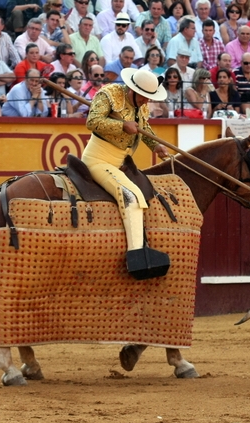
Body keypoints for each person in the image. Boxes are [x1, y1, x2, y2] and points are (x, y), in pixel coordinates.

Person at [84, 68, 170, 280]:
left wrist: (155, 145)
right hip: (97, 160)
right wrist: (122, 125)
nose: (146, 102)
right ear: (132, 89)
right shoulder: (108, 94)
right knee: (131, 197)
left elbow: (144, 128)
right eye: (143, 96)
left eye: (149, 98)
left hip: (121, 162)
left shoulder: (142, 106)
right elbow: (92, 122)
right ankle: (137, 259)